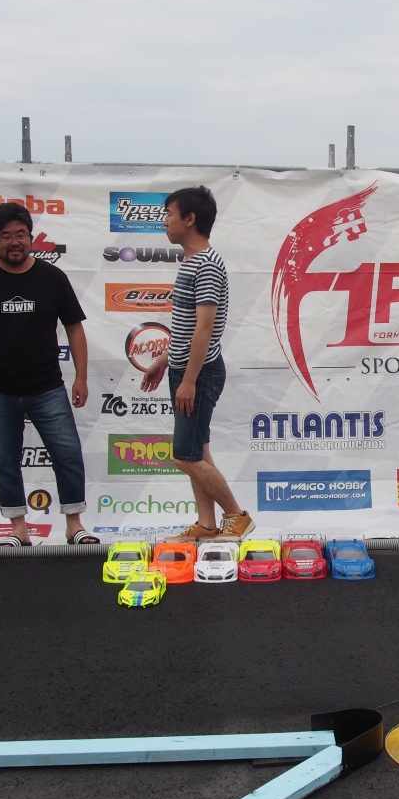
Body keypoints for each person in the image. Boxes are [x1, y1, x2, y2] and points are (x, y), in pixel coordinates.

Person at [0, 201, 97, 546]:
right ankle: (18, 529)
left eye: (21, 234)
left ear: (30, 237)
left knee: (68, 454)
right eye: (5, 236)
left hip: (47, 387)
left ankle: (74, 525)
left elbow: (74, 328)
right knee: (3, 460)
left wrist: (81, 377)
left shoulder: (52, 278)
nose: (14, 242)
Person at [141, 186, 254, 541]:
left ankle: (236, 516)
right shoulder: (193, 262)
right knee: (198, 451)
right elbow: (187, 327)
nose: (164, 222)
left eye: (169, 214)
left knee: (186, 457)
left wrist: (189, 379)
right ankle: (207, 524)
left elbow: (205, 328)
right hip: (187, 369)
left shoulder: (205, 264)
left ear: (190, 219)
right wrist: (164, 360)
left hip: (199, 373)